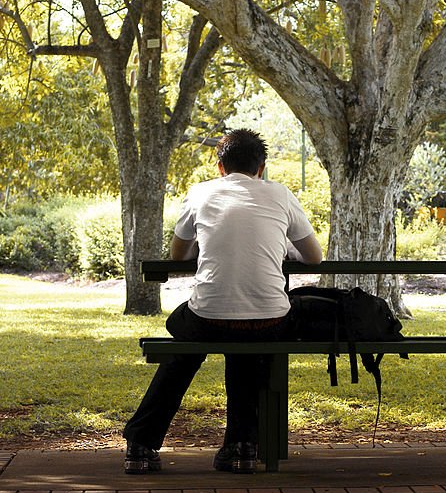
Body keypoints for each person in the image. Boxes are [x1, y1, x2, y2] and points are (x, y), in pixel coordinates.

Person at [123, 129, 322, 474]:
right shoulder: (281, 194)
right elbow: (315, 258)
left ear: (220, 167)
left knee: (183, 347)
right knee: (249, 341)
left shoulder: (200, 193)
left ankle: (141, 444)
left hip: (207, 316)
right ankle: (242, 446)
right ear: (261, 168)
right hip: (271, 318)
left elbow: (178, 253)